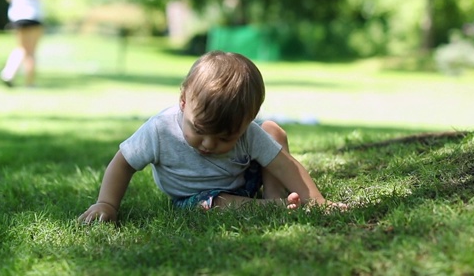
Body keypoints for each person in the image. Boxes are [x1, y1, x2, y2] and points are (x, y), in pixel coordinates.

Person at [79, 51, 345, 223]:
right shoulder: (160, 129)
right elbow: (123, 163)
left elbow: (284, 164)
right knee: (211, 204)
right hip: (196, 197)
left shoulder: (248, 133)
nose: (208, 144)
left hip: (241, 180)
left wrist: (318, 202)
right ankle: (273, 207)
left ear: (247, 121)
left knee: (273, 131)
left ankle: (274, 196)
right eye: (200, 131)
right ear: (183, 101)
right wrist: (107, 204)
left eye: (225, 138)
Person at [0, 0, 61, 87]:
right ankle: (29, 83)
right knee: (31, 51)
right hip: (34, 15)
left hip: (18, 15)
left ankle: (9, 73)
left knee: (21, 47)